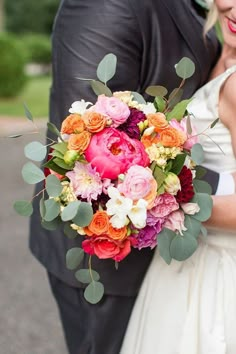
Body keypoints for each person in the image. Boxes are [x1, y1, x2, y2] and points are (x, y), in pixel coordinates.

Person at [29, 1, 233, 353]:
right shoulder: (105, 6)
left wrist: (178, 199)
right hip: (108, 265)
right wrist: (177, 194)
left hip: (195, 253)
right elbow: (89, 149)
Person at [120, 0, 236, 353]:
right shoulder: (216, 52)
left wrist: (156, 204)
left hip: (217, 273)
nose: (229, 4)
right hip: (191, 260)